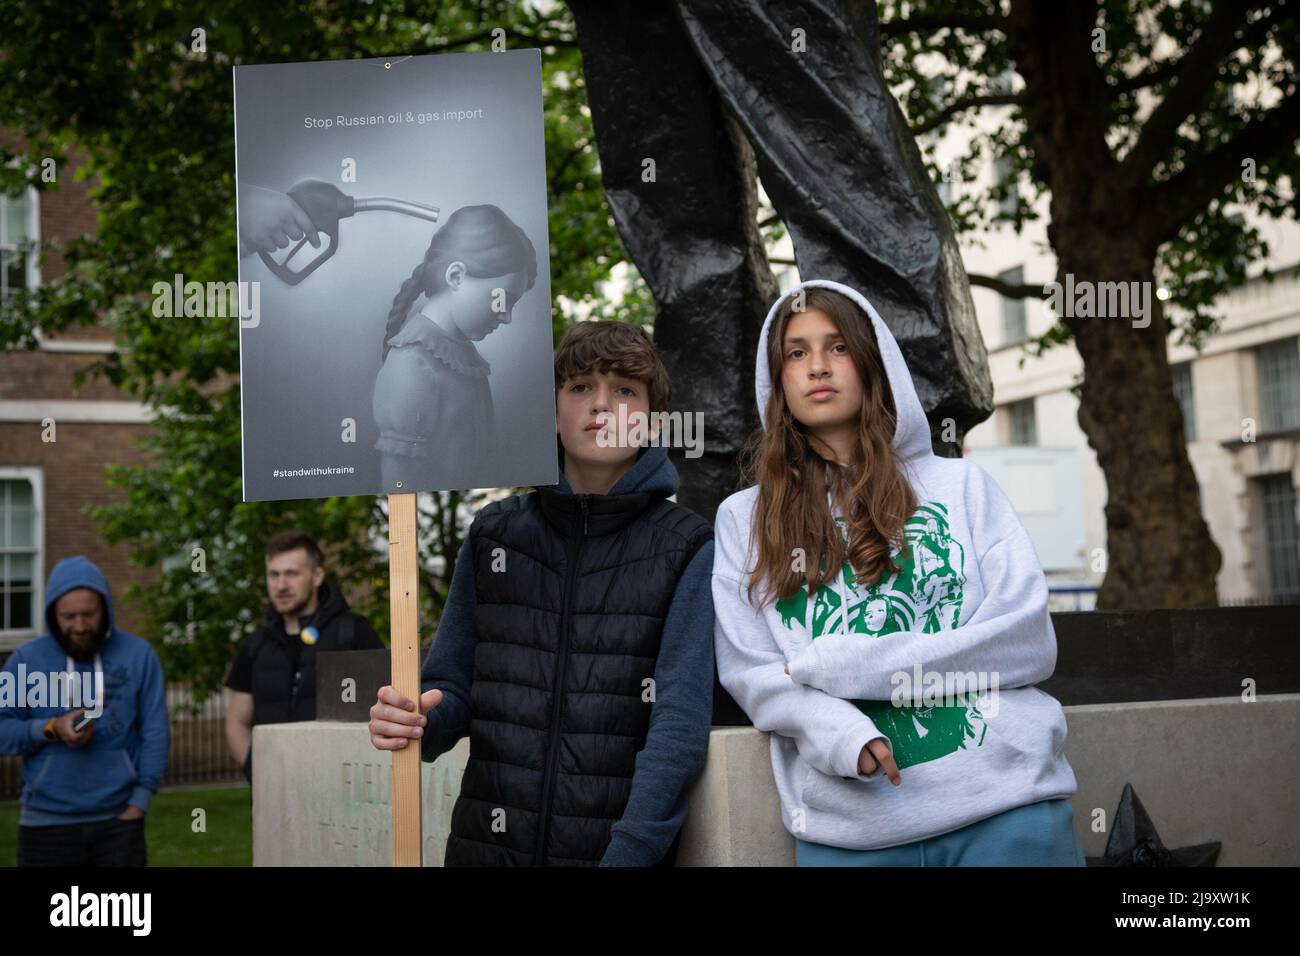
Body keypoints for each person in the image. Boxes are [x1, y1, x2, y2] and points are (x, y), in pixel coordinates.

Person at [712, 278, 1084, 867]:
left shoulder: (961, 487)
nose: (818, 368)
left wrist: (839, 666)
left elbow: (1025, 642)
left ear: (872, 362)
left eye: (837, 347)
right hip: (851, 829)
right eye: (797, 352)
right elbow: (755, 674)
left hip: (1006, 810)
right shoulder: (744, 518)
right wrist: (842, 735)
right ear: (777, 380)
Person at [368, 321, 716, 866]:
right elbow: (452, 688)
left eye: (624, 390)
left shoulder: (690, 546)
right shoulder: (494, 534)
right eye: (580, 388)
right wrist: (418, 719)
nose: (601, 407)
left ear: (651, 418)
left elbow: (677, 728)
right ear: (553, 412)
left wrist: (629, 856)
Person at [0, 555, 170, 866]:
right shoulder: (25, 661)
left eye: (89, 614)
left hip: (119, 823)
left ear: (105, 609)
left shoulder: (139, 655)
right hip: (45, 825)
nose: (79, 626)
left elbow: (156, 731)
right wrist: (50, 728)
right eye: (68, 616)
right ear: (53, 614)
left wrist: (140, 801)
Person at [370, 204, 538, 492]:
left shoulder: (463, 360)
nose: (506, 316)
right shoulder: (412, 365)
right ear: (456, 276)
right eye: (502, 299)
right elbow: (399, 483)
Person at [225, 531, 383, 782]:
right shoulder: (255, 644)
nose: (281, 585)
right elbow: (236, 722)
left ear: (317, 576)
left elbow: (383, 709)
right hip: (274, 796)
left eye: (292, 574)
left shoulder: (351, 632)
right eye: (273, 574)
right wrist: (256, 771)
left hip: (340, 789)